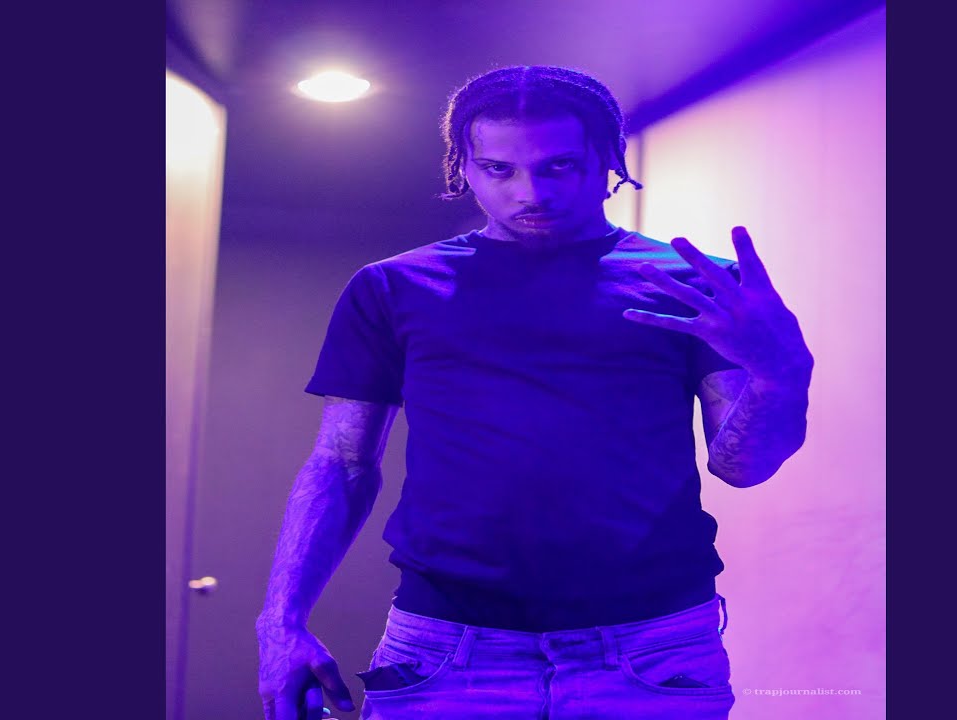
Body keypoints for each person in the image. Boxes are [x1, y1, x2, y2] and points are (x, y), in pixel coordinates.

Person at [256, 64, 813, 720]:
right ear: (462, 167)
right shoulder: (392, 288)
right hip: (446, 646)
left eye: (558, 167)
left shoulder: (691, 284)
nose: (530, 192)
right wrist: (280, 623)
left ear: (607, 160)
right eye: (499, 169)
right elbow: (342, 462)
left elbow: (742, 466)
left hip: (651, 646)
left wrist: (781, 373)